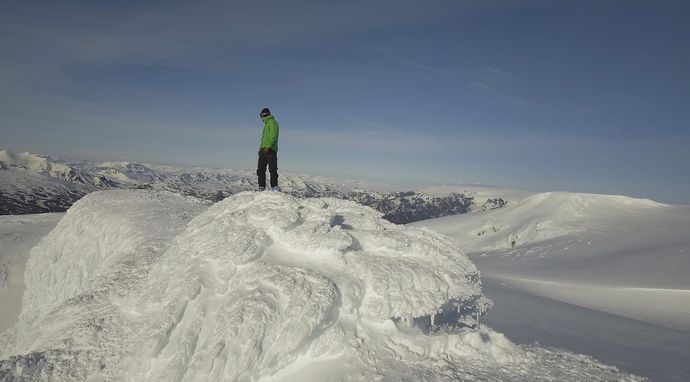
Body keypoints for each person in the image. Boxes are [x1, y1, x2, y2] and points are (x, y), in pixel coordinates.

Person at [257, 107, 280, 191]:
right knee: (261, 169)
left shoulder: (272, 123)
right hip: (263, 149)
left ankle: (274, 187)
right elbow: (263, 139)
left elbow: (272, 136)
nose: (261, 118)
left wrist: (268, 146)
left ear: (264, 115)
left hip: (270, 150)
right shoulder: (266, 124)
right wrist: (260, 149)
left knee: (272, 169)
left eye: (261, 115)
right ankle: (261, 186)